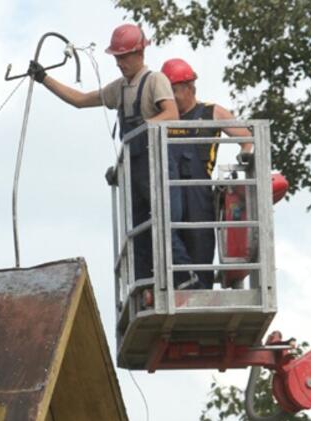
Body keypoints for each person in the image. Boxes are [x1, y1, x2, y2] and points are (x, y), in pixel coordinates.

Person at [28, 24, 196, 287]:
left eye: (124, 56)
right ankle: (145, 287)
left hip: (158, 165)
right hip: (135, 169)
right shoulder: (119, 89)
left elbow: (170, 115)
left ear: (139, 52)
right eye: (116, 57)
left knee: (162, 224)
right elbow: (81, 100)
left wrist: (138, 133)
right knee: (139, 232)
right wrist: (44, 79)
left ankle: (186, 280)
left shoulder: (154, 81)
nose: (119, 63)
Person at [161, 58, 254, 289]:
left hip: (199, 191)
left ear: (190, 87)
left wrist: (244, 156)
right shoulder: (164, 116)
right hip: (168, 189)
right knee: (168, 240)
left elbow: (247, 137)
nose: (170, 97)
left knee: (200, 241)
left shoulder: (211, 112)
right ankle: (175, 289)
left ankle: (201, 289)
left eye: (173, 91)